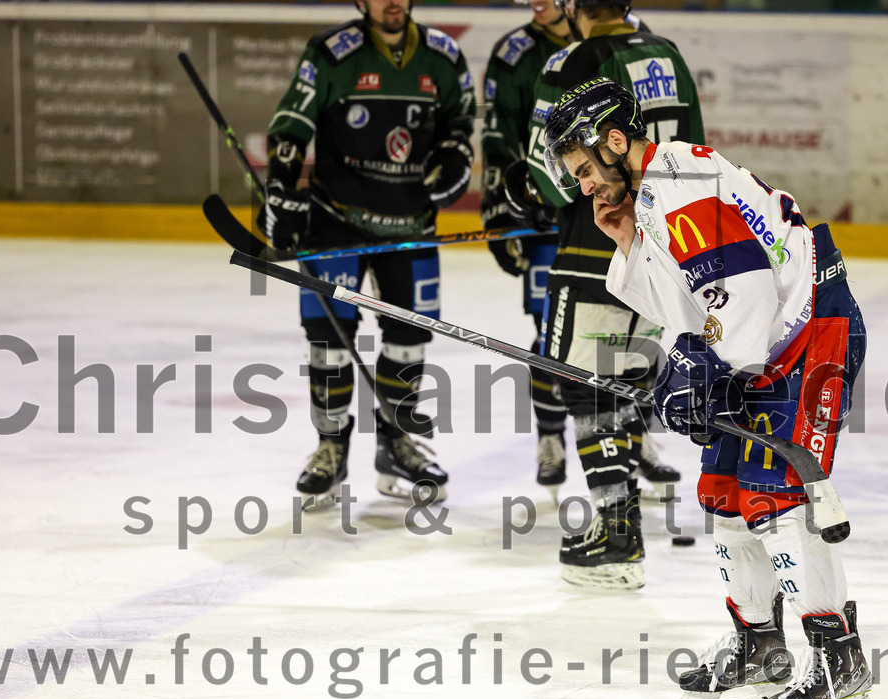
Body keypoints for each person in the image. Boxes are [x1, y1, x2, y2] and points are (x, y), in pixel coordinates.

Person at [543, 77, 876, 699]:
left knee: (775, 498)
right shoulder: (653, 195)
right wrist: (627, 246)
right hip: (764, 346)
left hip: (810, 336)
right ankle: (760, 646)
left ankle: (840, 663)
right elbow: (685, 307)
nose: (583, 186)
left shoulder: (683, 192)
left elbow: (744, 298)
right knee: (725, 490)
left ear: (615, 140)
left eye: (585, 169)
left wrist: (704, 365)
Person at [507, 0, 704, 590]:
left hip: (599, 240)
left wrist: (519, 189)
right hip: (663, 242)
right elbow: (689, 147)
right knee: (623, 380)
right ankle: (622, 517)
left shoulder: (576, 59)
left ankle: (617, 534)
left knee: (585, 384)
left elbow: (555, 174)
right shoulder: (666, 52)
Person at [261, 0, 476, 508]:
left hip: (412, 224)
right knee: (328, 340)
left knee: (408, 339)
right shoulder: (333, 54)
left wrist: (455, 155)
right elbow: (291, 128)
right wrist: (281, 192)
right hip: (335, 221)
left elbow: (460, 123)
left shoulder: (442, 57)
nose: (392, 2)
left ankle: (396, 442)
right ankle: (330, 448)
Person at [480, 1, 572, 499]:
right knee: (548, 331)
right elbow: (499, 138)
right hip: (544, 218)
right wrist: (500, 209)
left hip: (608, 215)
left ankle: (635, 437)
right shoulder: (515, 54)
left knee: (625, 332)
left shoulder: (620, 37)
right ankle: (551, 438)